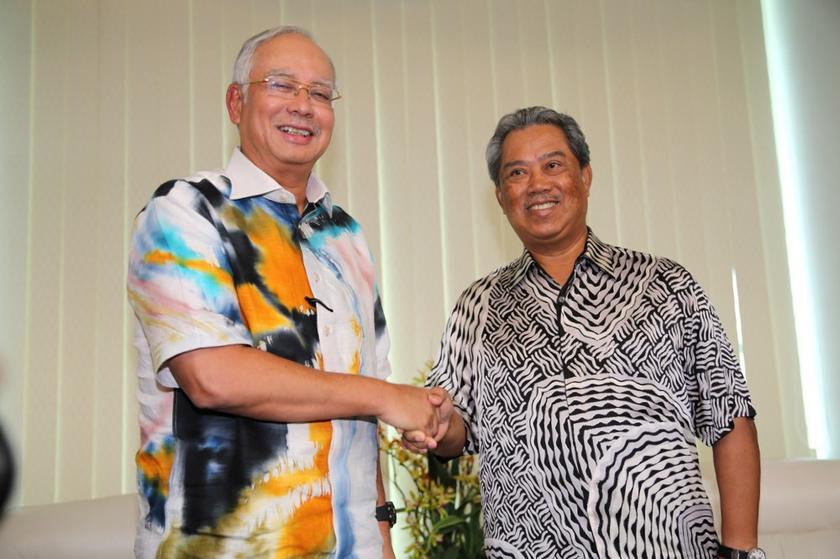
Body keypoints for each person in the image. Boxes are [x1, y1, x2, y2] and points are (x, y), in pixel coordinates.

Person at [127, 26, 444, 559]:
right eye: (282, 85)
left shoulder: (346, 236)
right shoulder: (184, 211)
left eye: (320, 94)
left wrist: (383, 535)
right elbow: (212, 376)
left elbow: (363, 412)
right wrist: (390, 399)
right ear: (236, 101)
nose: (304, 106)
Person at [405, 107, 763, 559]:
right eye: (517, 172)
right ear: (500, 196)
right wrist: (436, 425)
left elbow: (729, 418)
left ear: (585, 176)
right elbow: (458, 433)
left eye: (553, 165)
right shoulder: (476, 306)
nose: (537, 184)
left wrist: (741, 551)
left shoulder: (666, 285)